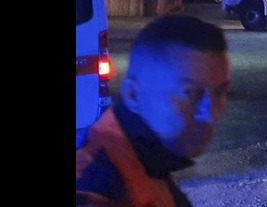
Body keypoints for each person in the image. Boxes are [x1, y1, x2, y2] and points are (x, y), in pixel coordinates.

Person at [76, 15, 232, 207]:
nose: (210, 113)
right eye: (191, 93)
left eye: (220, 92)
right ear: (133, 95)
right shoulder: (97, 185)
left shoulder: (150, 156)